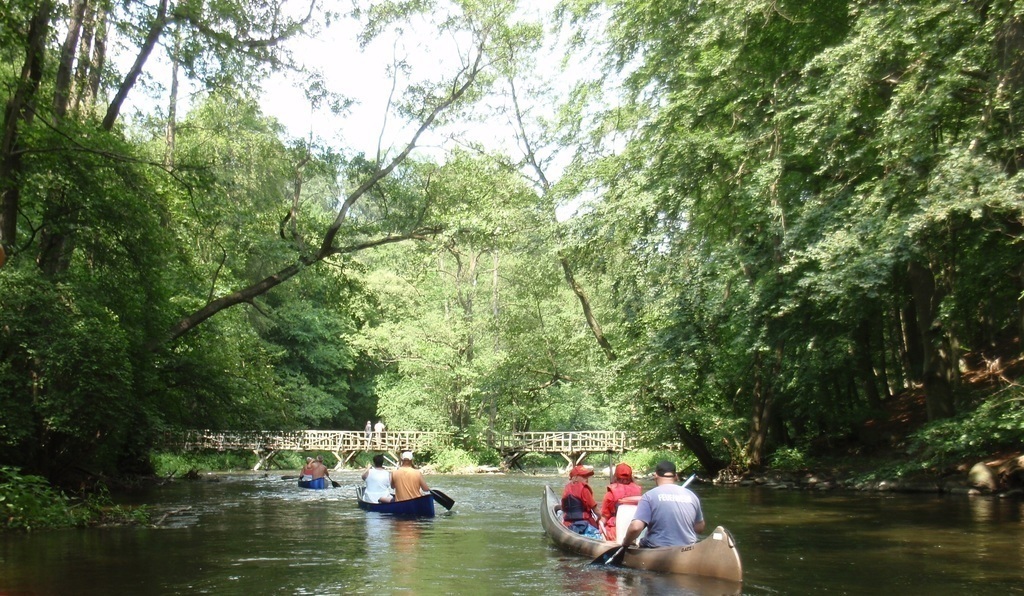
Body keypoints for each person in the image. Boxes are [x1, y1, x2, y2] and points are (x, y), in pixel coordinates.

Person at [620, 460, 705, 548]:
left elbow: (636, 527)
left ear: (655, 476)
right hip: (688, 548)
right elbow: (699, 528)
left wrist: (626, 543)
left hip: (656, 549)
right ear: (676, 476)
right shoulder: (692, 495)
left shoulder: (649, 496)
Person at [600, 462, 642, 541]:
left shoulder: (610, 494)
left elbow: (605, 515)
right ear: (630, 476)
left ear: (616, 476)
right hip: (635, 527)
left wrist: (600, 523)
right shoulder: (638, 491)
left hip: (616, 530)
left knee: (601, 525)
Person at [560, 465, 601, 538]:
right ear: (575, 478)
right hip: (585, 524)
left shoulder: (566, 489)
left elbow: (563, 508)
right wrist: (601, 518)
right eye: (584, 476)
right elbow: (596, 510)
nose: (587, 479)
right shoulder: (584, 489)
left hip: (568, 524)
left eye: (587, 476)